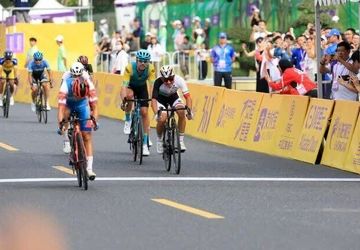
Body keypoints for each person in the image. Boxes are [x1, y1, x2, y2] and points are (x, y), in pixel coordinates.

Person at [58, 62, 99, 180]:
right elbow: (60, 108)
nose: (77, 97)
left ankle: (89, 169)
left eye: (80, 95)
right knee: (65, 115)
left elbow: (95, 106)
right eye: (76, 95)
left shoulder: (88, 84)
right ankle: (67, 138)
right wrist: (61, 124)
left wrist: (94, 120)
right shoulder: (65, 84)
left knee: (87, 135)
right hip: (68, 104)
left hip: (82, 105)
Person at [120, 49, 156, 156]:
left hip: (142, 88)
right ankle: (127, 119)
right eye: (140, 61)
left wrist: (153, 98)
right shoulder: (130, 67)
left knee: (144, 112)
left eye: (145, 61)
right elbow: (123, 87)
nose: (143, 63)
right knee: (129, 96)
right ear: (137, 60)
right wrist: (124, 100)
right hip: (130, 86)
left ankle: (145, 143)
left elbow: (152, 86)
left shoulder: (151, 69)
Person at [151, 65, 193, 153]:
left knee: (181, 111)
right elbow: (154, 100)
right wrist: (156, 114)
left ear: (174, 76)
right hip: (160, 100)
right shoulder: (157, 82)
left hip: (173, 98)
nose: (169, 82)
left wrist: (189, 111)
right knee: (162, 118)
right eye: (166, 80)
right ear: (162, 78)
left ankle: (180, 141)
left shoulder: (179, 80)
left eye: (171, 78)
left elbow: (188, 97)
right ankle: (159, 140)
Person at [60, 62, 93, 154]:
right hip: (69, 96)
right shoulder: (66, 75)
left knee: (88, 110)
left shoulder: (85, 75)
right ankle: (66, 140)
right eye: (74, 75)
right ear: (71, 73)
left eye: (78, 75)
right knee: (65, 115)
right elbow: (62, 90)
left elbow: (90, 90)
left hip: (81, 97)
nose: (76, 77)